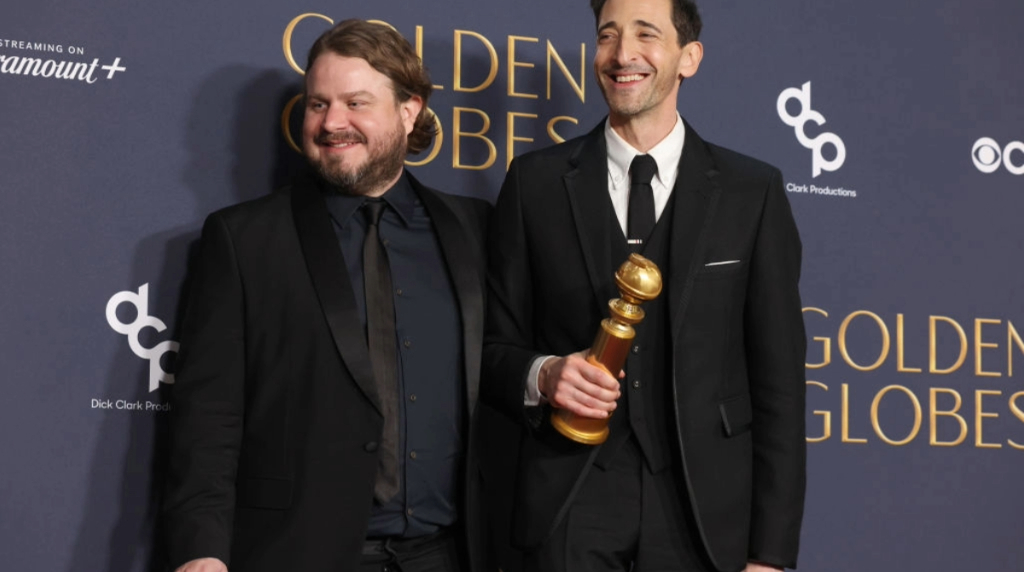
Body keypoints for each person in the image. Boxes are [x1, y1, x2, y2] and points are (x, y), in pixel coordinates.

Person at [483, 0, 807, 570]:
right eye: (607, 36)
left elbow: (779, 385)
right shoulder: (534, 184)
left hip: (703, 512)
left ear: (689, 58)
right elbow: (489, 349)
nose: (622, 54)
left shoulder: (750, 193)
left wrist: (771, 554)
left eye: (645, 35)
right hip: (568, 504)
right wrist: (545, 374)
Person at [163, 19, 491, 572]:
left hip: (451, 556)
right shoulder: (245, 240)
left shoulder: (475, 229)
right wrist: (201, 553)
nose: (332, 122)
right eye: (318, 104)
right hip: (297, 554)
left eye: (356, 103)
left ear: (409, 111)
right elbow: (208, 420)